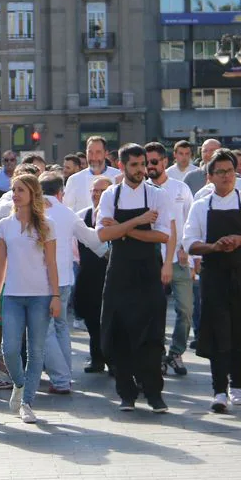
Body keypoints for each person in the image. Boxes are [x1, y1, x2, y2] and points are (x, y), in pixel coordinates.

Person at [184, 150, 241, 413]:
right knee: (218, 332)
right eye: (220, 172)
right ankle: (218, 389)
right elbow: (189, 242)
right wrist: (213, 247)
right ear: (210, 176)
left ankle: (237, 384)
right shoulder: (201, 205)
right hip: (214, 274)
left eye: (230, 171)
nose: (226, 176)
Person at [95, 144, 177, 412]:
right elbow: (103, 235)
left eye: (143, 165)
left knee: (152, 332)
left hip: (147, 268)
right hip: (119, 269)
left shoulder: (157, 195)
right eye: (134, 165)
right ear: (121, 166)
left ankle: (154, 393)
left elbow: (162, 235)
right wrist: (139, 221)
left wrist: (123, 229)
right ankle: (126, 393)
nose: (141, 170)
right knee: (117, 331)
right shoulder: (110, 195)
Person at [0, 174, 60, 424]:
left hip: (41, 296)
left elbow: (51, 263)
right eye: (14, 190)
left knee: (36, 350)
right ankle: (19, 386)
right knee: (9, 349)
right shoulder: (5, 226)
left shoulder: (47, 225)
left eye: (21, 190)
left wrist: (56, 295)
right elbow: (0, 264)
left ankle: (27, 402)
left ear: (33, 194)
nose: (16, 194)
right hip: (12, 295)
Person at [40, 171, 105, 394]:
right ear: (61, 193)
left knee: (45, 330)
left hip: (41, 279)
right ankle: (64, 375)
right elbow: (93, 240)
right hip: (64, 279)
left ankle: (60, 378)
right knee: (60, 327)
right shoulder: (68, 213)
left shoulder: (33, 212)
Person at [145, 142, 195, 379]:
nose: (150, 166)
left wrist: (190, 254)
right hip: (151, 259)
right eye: (147, 163)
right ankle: (157, 355)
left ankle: (176, 351)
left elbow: (190, 221)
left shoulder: (180, 188)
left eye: (154, 161)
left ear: (165, 162)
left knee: (185, 309)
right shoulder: (141, 189)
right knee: (154, 311)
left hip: (178, 257)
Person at [75, 176, 112, 374]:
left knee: (110, 319)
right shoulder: (82, 215)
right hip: (89, 275)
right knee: (91, 317)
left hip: (111, 275)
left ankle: (113, 359)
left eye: (101, 191)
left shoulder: (116, 217)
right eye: (94, 191)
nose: (96, 195)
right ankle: (97, 357)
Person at [63, 136, 122, 213]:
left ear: (105, 154)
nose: (94, 157)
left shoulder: (119, 177)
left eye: (98, 152)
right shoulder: (74, 180)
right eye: (90, 152)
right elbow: (68, 210)